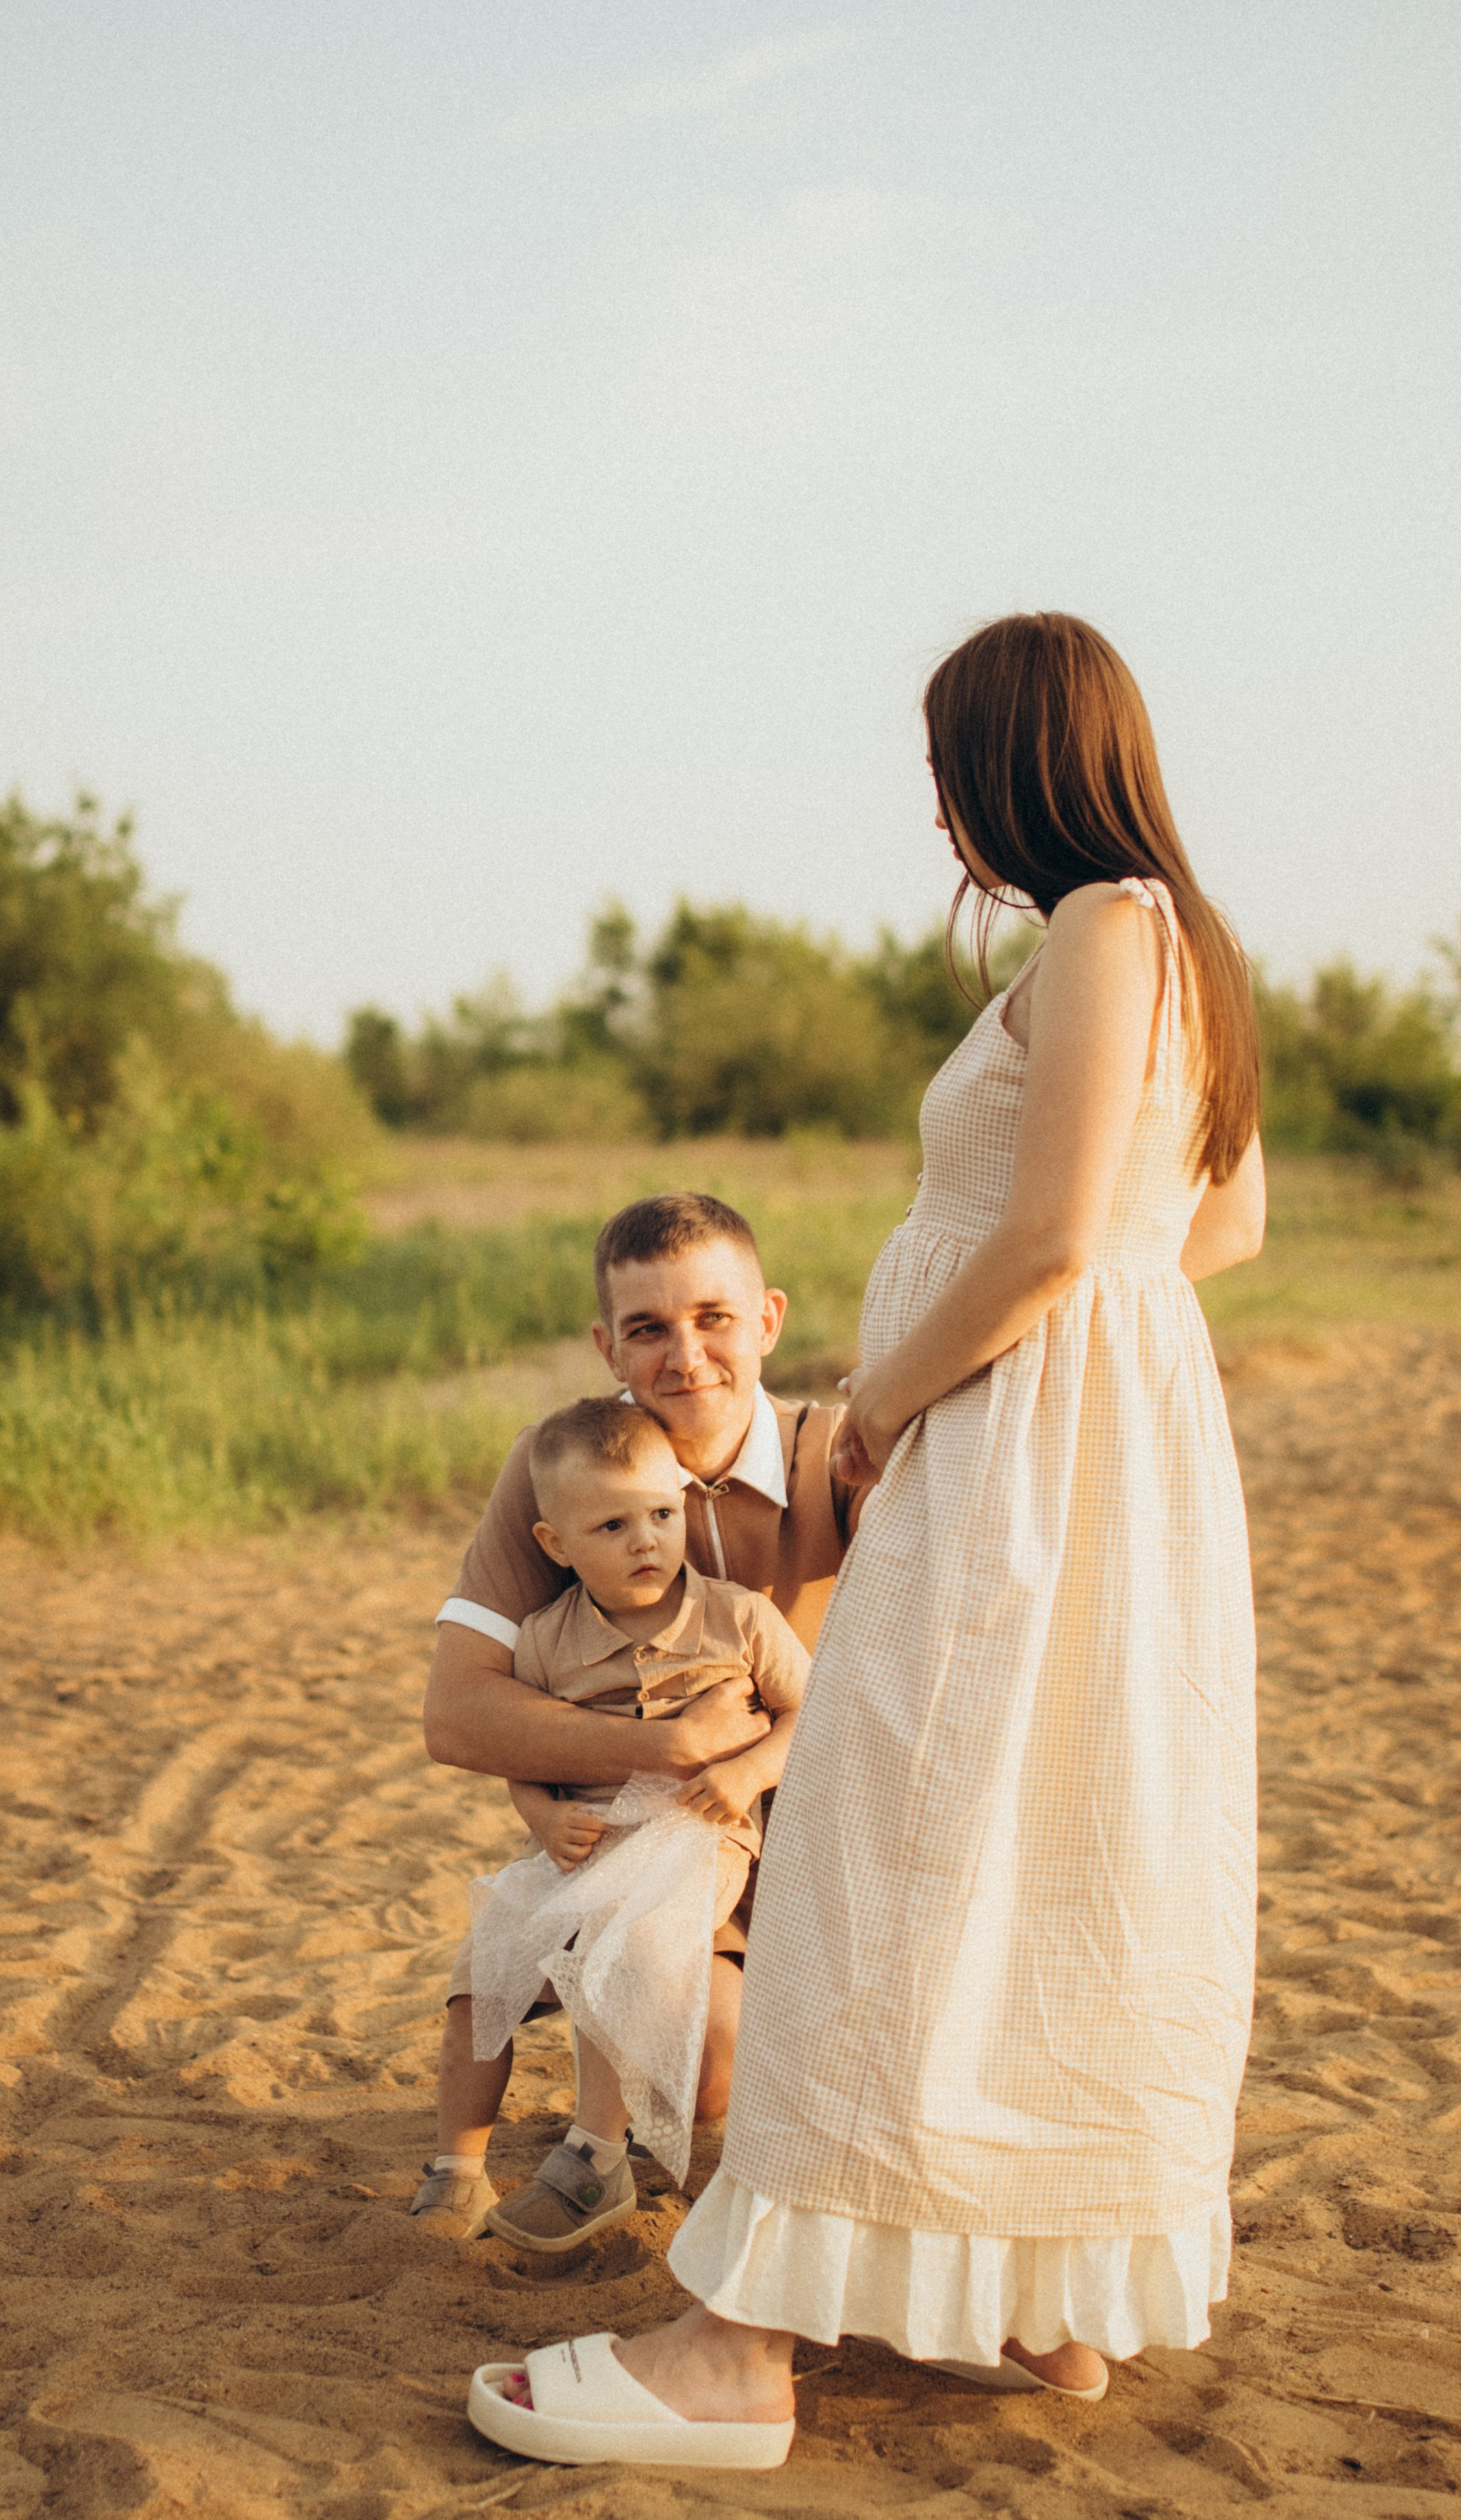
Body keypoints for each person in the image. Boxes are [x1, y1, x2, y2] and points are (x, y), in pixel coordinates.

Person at [467, 611, 1267, 2471]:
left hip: (1008, 1456)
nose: (937, 812)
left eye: (945, 769)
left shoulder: (1100, 923)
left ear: (1014, 759)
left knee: (885, 1852)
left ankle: (736, 2353)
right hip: (1107, 1462)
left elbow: (1053, 1233)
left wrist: (885, 1402)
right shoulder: (1194, 947)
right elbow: (1214, 1226)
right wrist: (1093, 1355)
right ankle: (1047, 2301)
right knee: (1046, 1848)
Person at [416, 1193, 862, 2237]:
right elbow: (458, 1714)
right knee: (686, 2060)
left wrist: (746, 1761)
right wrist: (659, 1745)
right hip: (644, 1834)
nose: (685, 1355)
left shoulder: (841, 1454)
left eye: (713, 1317)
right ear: (605, 1345)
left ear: (767, 1319)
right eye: (648, 1327)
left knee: (720, 2067)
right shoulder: (565, 1464)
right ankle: (496, 2156)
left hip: (814, 1836)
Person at [438, 1396, 807, 2252]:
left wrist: (747, 1771)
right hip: (582, 1838)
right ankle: (453, 2167)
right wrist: (540, 1815)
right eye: (612, 1525)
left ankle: (594, 2158)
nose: (646, 1541)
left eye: (661, 1516)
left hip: (694, 1833)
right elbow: (519, 1752)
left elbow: (812, 1709)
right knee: (482, 1969)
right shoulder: (544, 1640)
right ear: (555, 1544)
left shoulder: (737, 1618)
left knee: (624, 1941)